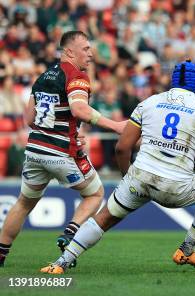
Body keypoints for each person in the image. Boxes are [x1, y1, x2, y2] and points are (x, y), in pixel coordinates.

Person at [40, 60, 195, 274]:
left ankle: (60, 263)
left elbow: (122, 147)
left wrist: (127, 176)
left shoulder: (150, 102)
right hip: (176, 187)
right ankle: (187, 248)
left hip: (140, 176)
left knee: (104, 217)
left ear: (173, 80)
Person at [0, 31, 126, 268]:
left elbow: (30, 119)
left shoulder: (43, 77)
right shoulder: (76, 76)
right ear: (69, 51)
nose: (90, 53)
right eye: (85, 48)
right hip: (61, 153)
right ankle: (70, 233)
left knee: (24, 203)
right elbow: (80, 110)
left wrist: (69, 130)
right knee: (95, 194)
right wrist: (116, 125)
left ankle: (1, 253)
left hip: (36, 150)